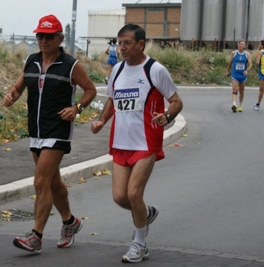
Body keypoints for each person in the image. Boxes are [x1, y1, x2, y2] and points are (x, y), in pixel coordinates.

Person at [3, 14, 97, 254]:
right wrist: (12, 95)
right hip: (36, 130)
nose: (43, 40)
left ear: (59, 38)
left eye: (49, 36)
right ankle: (70, 222)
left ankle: (35, 236)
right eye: (40, 36)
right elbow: (18, 86)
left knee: (40, 181)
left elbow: (90, 90)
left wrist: (77, 108)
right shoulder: (31, 61)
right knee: (53, 183)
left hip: (58, 131)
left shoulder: (71, 65)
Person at [91, 24, 183, 263]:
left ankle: (139, 243)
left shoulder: (155, 70)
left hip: (146, 143)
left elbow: (176, 101)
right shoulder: (118, 70)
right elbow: (112, 100)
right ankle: (147, 213)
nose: (122, 48)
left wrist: (168, 116)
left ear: (140, 44)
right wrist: (101, 121)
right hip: (120, 142)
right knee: (120, 197)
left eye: (127, 43)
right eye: (119, 43)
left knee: (133, 193)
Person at [226, 40, 252, 112]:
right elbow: (230, 63)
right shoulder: (234, 53)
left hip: (243, 75)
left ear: (244, 46)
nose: (240, 45)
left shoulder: (247, 54)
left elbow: (250, 64)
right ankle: (234, 105)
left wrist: (247, 71)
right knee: (235, 89)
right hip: (235, 74)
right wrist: (228, 71)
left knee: (242, 91)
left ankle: (240, 105)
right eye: (239, 44)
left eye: (241, 44)